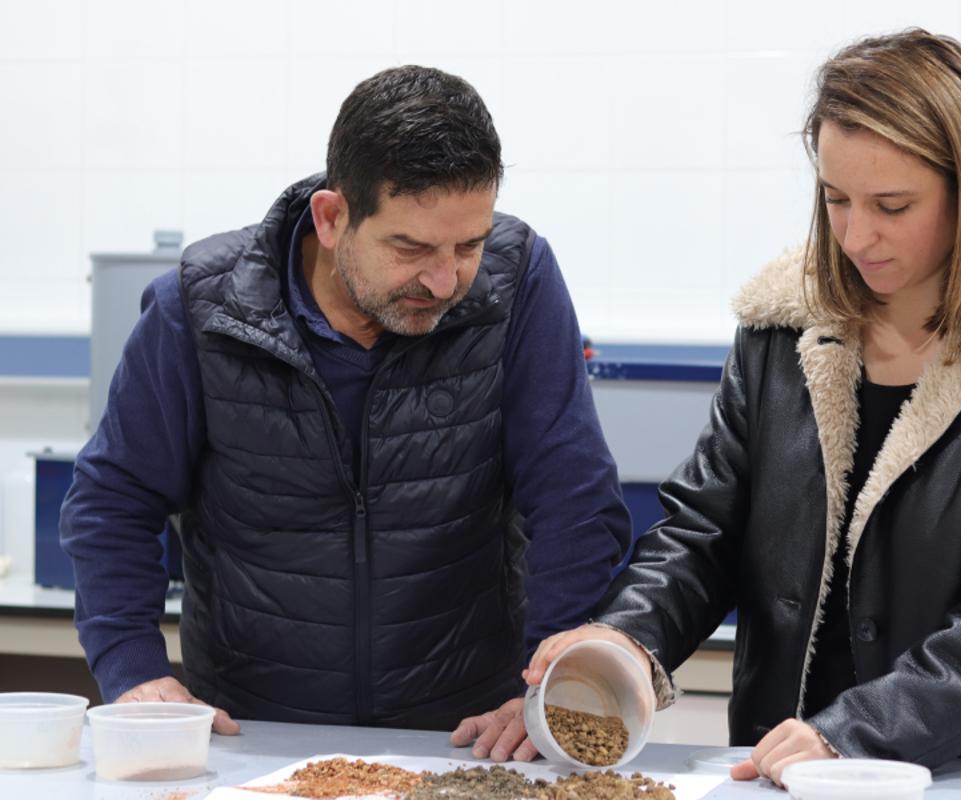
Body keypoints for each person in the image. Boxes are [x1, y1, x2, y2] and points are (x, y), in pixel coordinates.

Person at [522, 29, 961, 784]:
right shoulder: (783, 331)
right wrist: (628, 639)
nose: (855, 235)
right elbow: (704, 531)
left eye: (893, 205)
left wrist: (857, 732)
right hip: (788, 765)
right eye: (836, 199)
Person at [60, 66, 631, 741]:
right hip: (251, 732)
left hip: (467, 734)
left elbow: (574, 495)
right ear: (332, 219)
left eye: (468, 245)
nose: (445, 279)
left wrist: (548, 690)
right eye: (410, 247)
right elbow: (114, 500)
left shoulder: (519, 282)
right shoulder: (199, 308)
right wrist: (131, 667)